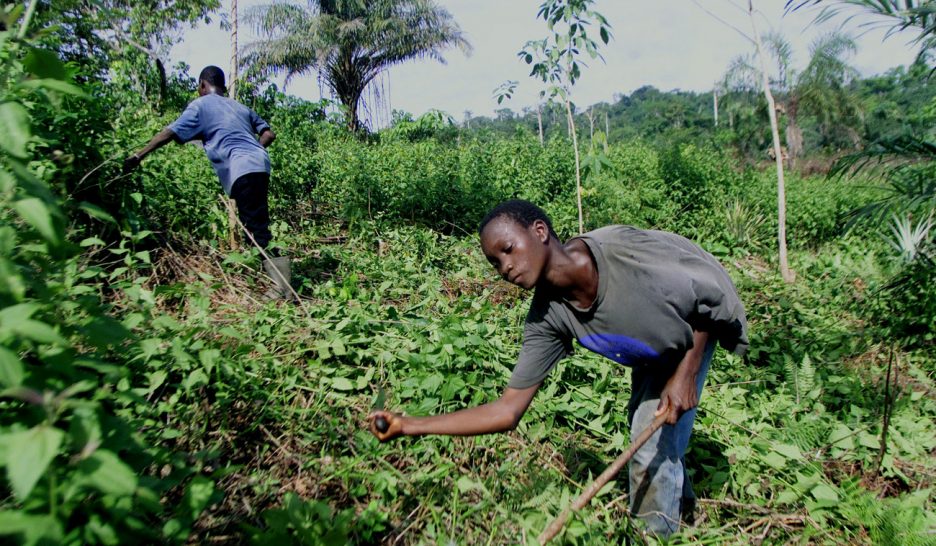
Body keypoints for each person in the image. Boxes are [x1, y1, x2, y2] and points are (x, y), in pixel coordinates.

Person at [369, 199, 748, 537]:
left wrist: (686, 373)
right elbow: (507, 410)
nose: (505, 267)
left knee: (649, 444)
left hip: (695, 328)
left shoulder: (620, 254)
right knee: (650, 425)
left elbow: (709, 297)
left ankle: (654, 535)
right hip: (652, 348)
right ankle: (681, 509)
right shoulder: (548, 318)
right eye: (495, 262)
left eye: (508, 249)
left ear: (540, 231)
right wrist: (410, 425)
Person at [122, 65, 292, 299]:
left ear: (202, 85)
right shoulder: (239, 107)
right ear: (222, 86)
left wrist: (138, 155)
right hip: (259, 164)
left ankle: (282, 288)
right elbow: (269, 134)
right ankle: (278, 284)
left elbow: (170, 133)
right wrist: (252, 150)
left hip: (242, 168)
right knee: (256, 223)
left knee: (256, 230)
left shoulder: (201, 105)